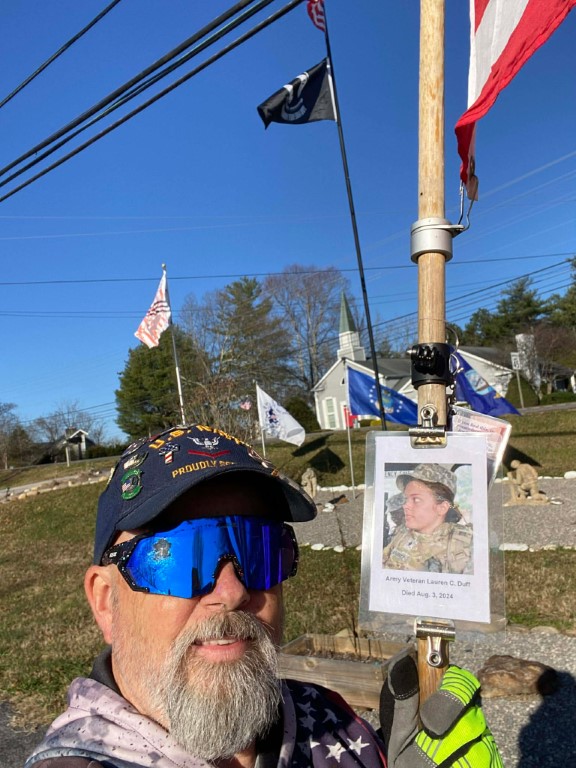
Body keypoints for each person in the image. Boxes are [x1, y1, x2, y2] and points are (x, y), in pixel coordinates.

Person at [26, 424, 501, 768]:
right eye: (181, 556)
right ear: (105, 601)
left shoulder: (330, 718)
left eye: (260, 550)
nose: (233, 591)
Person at [382, 464, 473, 574]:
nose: (405, 505)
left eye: (416, 500)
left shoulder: (466, 545)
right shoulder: (402, 534)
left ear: (442, 508)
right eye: (406, 499)